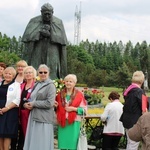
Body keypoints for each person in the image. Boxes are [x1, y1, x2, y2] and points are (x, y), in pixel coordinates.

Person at [22, 3, 67, 79]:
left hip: (52, 49)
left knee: (52, 69)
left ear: (52, 12)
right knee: (35, 68)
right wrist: (39, 34)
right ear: (41, 12)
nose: (47, 16)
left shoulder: (58, 22)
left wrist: (50, 35)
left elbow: (62, 40)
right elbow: (28, 36)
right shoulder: (34, 21)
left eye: (49, 14)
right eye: (45, 14)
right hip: (37, 48)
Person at [23, 64, 56, 150]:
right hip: (34, 116)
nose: (43, 74)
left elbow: (50, 103)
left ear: (48, 73)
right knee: (33, 141)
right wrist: (27, 104)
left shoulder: (51, 86)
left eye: (45, 72)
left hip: (43, 118)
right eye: (41, 72)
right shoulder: (37, 84)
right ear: (38, 73)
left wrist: (34, 104)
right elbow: (32, 98)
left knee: (41, 142)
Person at [55, 74, 87, 150]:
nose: (68, 83)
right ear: (64, 82)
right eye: (67, 81)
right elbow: (56, 107)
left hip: (74, 123)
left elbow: (84, 111)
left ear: (74, 83)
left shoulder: (79, 95)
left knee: (72, 145)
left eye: (71, 81)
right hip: (62, 123)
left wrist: (73, 109)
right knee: (63, 145)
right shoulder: (60, 94)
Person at [120, 71, 145, 150]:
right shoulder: (139, 92)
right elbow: (144, 108)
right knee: (133, 144)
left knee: (130, 143)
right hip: (135, 122)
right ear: (142, 80)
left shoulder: (128, 91)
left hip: (127, 120)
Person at [0, 67, 21, 150]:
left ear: (13, 76)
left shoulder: (16, 85)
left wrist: (7, 108)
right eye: (6, 73)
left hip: (10, 111)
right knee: (0, 134)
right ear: (3, 74)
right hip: (0, 111)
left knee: (7, 134)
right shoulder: (0, 83)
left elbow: (17, 99)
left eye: (10, 74)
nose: (7, 75)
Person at [18, 66, 36, 150]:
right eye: (26, 73)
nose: (28, 74)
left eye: (30, 72)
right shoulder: (21, 85)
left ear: (34, 74)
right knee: (21, 133)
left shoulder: (36, 86)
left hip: (29, 113)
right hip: (20, 112)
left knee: (28, 133)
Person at [11, 60, 28, 150]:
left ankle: (20, 147)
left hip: (22, 107)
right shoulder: (14, 77)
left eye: (22, 66)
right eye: (19, 66)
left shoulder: (27, 78)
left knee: (22, 129)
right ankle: (13, 147)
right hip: (12, 106)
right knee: (14, 128)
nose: (20, 68)